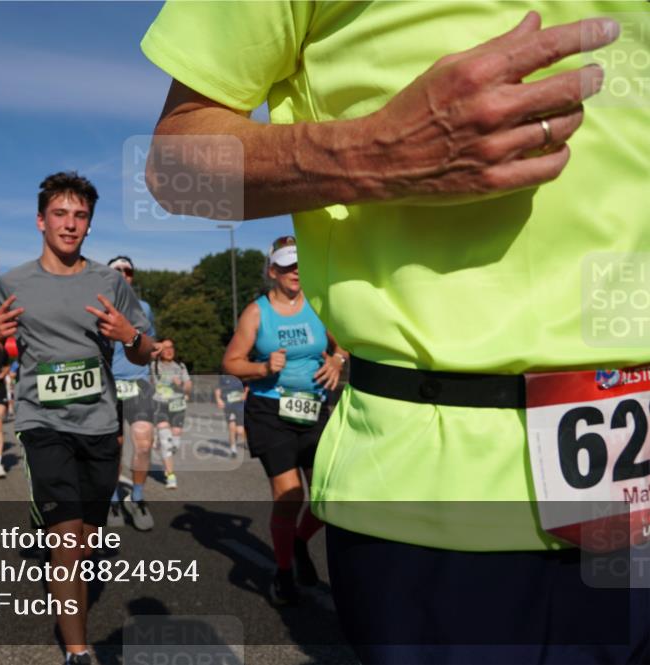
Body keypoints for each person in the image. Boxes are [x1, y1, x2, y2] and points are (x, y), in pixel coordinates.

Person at [142, 4, 648, 661]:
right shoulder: (257, 311)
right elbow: (173, 168)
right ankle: (289, 564)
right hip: (444, 498)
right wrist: (379, 151)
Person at [0, 171, 155, 665]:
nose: (70, 224)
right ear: (41, 221)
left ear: (90, 226)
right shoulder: (11, 283)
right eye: (60, 214)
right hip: (42, 423)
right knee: (68, 540)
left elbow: (145, 352)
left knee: (88, 539)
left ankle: (67, 591)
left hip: (100, 424)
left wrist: (128, 335)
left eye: (80, 216)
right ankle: (77, 651)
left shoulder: (110, 281)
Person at [223, 237, 345, 605]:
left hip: (315, 409)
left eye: (300, 265)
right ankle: (283, 571)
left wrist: (337, 361)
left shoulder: (321, 305)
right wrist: (261, 367)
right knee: (289, 495)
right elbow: (231, 363)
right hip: (270, 412)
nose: (296, 272)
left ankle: (297, 540)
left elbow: (345, 343)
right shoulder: (256, 313)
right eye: (288, 265)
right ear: (272, 270)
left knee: (326, 497)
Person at [106, 255, 158, 531]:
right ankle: (113, 499)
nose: (124, 274)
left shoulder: (144, 308)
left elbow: (151, 342)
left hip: (138, 382)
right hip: (109, 384)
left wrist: (156, 349)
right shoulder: (99, 308)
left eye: (128, 271)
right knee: (113, 446)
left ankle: (137, 498)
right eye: (118, 270)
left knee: (144, 442)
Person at [149, 338, 191, 489]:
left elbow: (188, 386)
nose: (169, 350)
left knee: (175, 444)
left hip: (178, 406)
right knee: (166, 442)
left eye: (171, 347)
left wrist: (181, 385)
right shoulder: (153, 366)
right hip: (160, 406)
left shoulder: (180, 366)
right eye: (165, 348)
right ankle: (171, 475)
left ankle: (160, 440)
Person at [214, 375, 246, 456]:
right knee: (232, 428)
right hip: (229, 407)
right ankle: (233, 449)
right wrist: (218, 399)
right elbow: (218, 389)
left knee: (239, 431)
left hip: (240, 406)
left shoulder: (242, 375)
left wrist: (245, 394)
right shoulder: (224, 377)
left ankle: (247, 441)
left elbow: (248, 387)